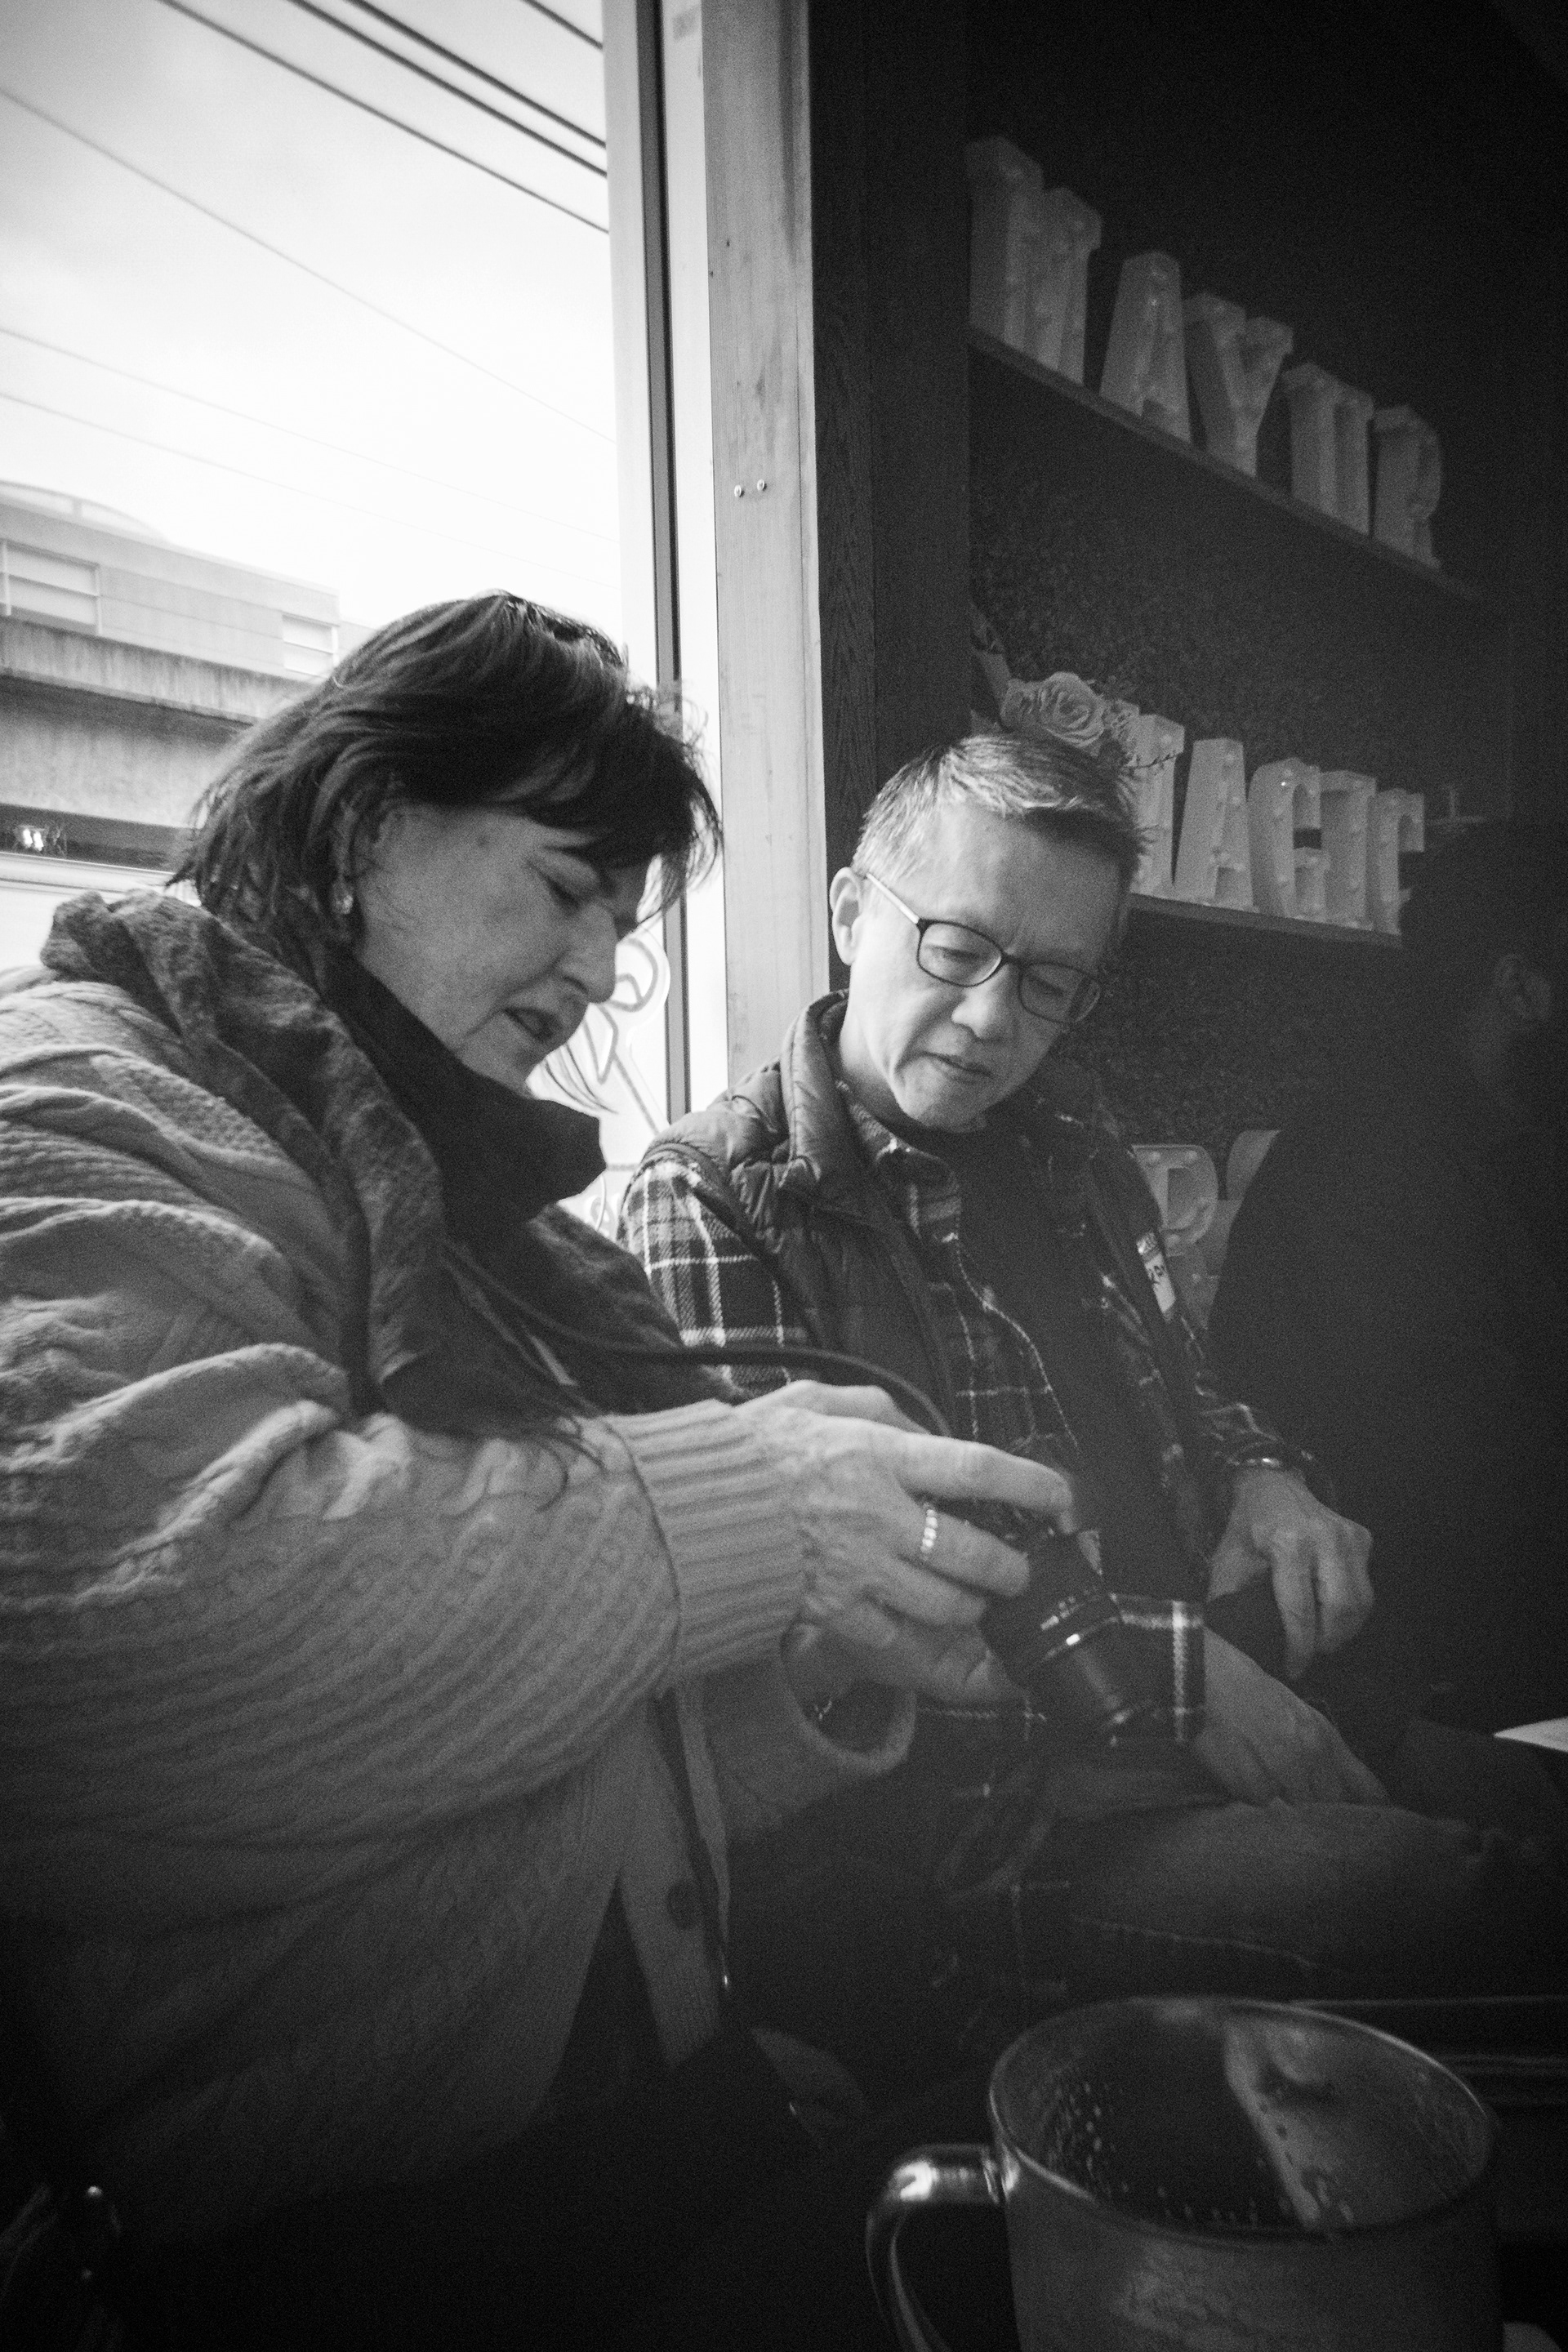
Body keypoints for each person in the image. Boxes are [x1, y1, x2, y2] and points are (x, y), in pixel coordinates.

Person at [0, 600, 1073, 2349]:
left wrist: (803, 1675)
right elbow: (107, 1648)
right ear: (363, 829)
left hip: (614, 2135)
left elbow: (510, 1741)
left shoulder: (448, 1192)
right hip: (329, 2247)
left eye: (621, 928)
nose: (593, 972)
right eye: (566, 886)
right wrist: (764, 1512)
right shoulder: (79, 1103)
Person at [621, 733, 1567, 2091]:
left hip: (1242, 1700)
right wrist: (1184, 1678)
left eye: (1050, 982)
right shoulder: (717, 1195)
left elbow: (1199, 1394)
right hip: (999, 1835)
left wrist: (1270, 1482)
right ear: (849, 911)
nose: (991, 1018)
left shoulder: (1074, 1147)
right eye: (957, 947)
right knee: (1486, 1900)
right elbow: (829, 1599)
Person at [1211, 819, 1568, 1754]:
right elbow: (1481, 1506)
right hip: (1427, 1693)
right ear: (1523, 989)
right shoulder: (1378, 1168)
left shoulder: (1504, 1141)